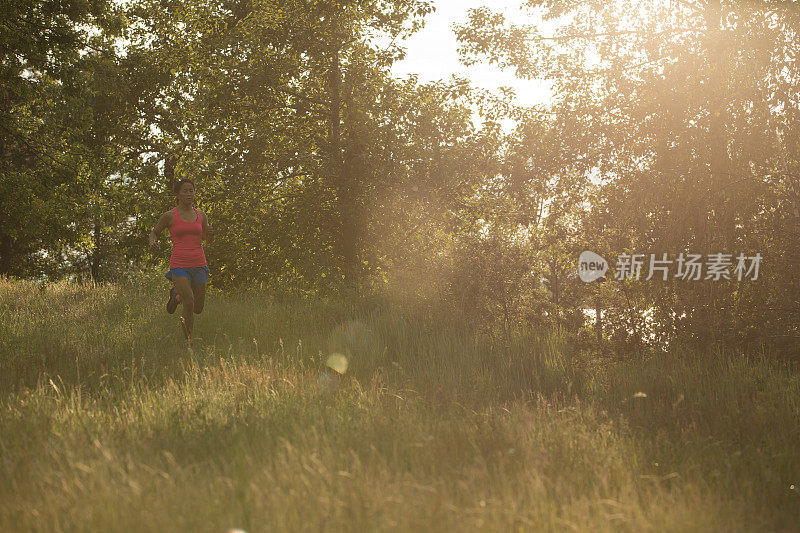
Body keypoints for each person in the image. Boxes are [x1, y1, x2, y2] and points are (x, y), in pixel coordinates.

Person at [149, 178, 214, 347]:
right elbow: (154, 232)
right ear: (178, 195)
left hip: (199, 264)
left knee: (198, 308)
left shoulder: (201, 215)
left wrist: (210, 233)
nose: (189, 194)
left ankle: (176, 295)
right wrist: (152, 241)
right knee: (189, 301)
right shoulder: (170, 216)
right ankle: (188, 341)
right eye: (185, 191)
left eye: (191, 190)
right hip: (179, 265)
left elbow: (208, 239)